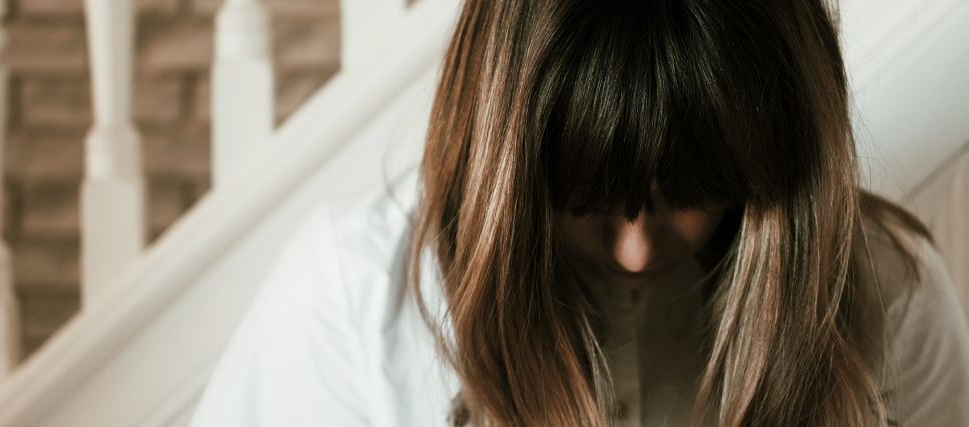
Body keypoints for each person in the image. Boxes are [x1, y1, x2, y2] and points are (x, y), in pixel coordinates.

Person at [188, 0, 969, 425]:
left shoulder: (889, 294)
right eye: (584, 202)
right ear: (508, 167)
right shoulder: (353, 297)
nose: (634, 249)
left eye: (688, 195)